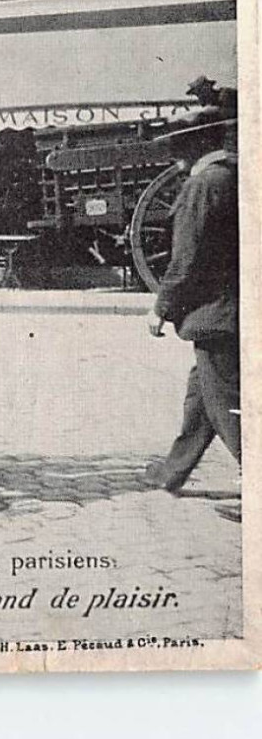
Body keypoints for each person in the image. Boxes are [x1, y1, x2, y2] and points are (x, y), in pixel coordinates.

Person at [143, 105, 240, 496]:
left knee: (229, 408)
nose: (173, 154)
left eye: (179, 144)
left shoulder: (202, 185)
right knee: (202, 398)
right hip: (232, 309)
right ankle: (173, 470)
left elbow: (186, 259)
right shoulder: (231, 176)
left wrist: (160, 308)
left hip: (217, 313)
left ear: (199, 143)